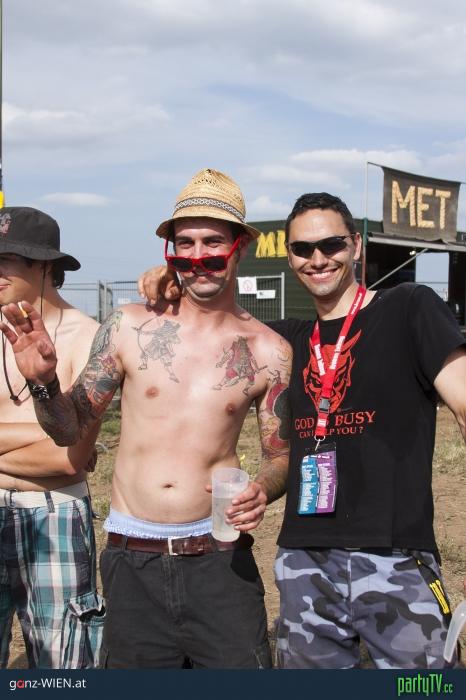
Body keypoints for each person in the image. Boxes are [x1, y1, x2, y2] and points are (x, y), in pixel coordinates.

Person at [137, 191, 466, 670]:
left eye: (331, 244)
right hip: (304, 561)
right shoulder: (285, 341)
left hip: (395, 556)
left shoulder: (409, 308)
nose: (318, 258)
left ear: (356, 245)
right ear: (289, 257)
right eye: (302, 249)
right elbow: (212, 322)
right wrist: (175, 278)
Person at [0, 170, 292, 669]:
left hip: (219, 561)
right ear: (169, 252)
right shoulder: (129, 326)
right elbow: (69, 430)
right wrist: (44, 380)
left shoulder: (269, 351)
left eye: (213, 244)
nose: (197, 258)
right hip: (131, 559)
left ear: (239, 247)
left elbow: (280, 456)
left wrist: (262, 488)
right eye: (184, 245)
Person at [0, 207, 104, 669]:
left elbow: (67, 458)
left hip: (54, 512)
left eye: (6, 259)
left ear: (44, 265)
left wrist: (69, 445)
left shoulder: (89, 337)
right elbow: (64, 443)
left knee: (63, 662)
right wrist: (40, 438)